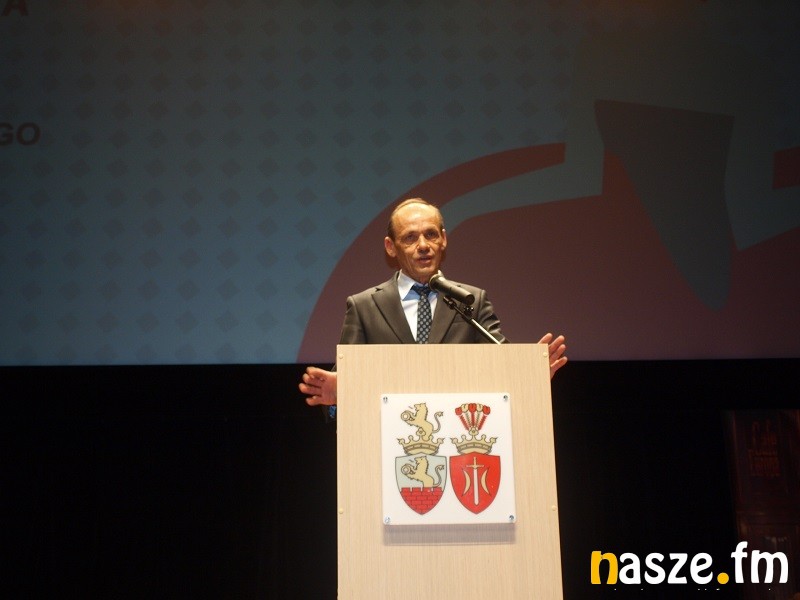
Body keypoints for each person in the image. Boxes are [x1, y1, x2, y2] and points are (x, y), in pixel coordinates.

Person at [299, 197, 567, 407]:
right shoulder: (364, 307)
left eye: (431, 234)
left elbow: (501, 366)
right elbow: (342, 382)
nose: (423, 245)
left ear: (443, 239)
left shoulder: (472, 301)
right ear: (391, 247)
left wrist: (528, 373)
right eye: (410, 237)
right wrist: (338, 394)